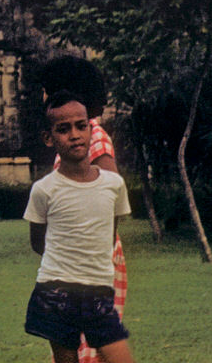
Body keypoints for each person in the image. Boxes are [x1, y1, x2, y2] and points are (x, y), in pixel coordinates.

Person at [24, 92, 135, 363]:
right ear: (49, 138)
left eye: (80, 126)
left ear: (91, 129)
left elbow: (108, 236)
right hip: (55, 293)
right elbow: (39, 243)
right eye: (63, 129)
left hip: (98, 292)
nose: (74, 135)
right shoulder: (43, 190)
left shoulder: (113, 185)